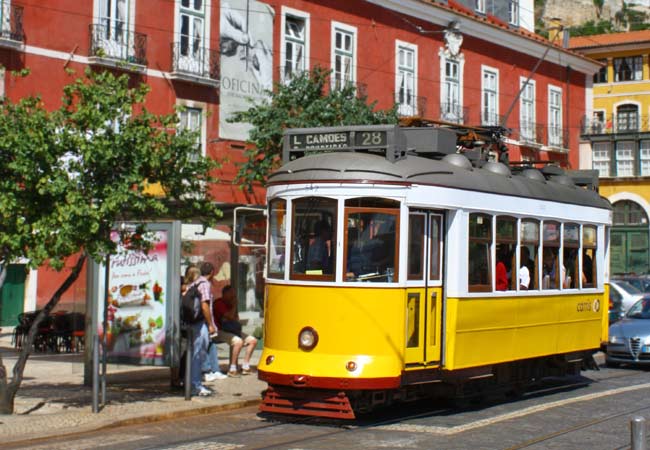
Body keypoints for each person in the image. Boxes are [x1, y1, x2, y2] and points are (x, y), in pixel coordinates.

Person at [188, 262, 219, 396]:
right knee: (198, 354)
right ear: (212, 272)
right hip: (200, 324)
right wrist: (210, 324)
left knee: (195, 353)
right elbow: (205, 305)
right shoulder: (204, 284)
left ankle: (192, 382)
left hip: (192, 322)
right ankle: (196, 385)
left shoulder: (193, 283)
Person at [213, 285, 258, 377]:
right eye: (231, 294)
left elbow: (236, 319)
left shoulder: (232, 304)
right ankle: (232, 369)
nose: (233, 296)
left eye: (234, 294)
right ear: (225, 294)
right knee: (238, 342)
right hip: (219, 330)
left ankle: (245, 366)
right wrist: (234, 306)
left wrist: (234, 307)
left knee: (253, 340)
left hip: (232, 330)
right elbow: (229, 316)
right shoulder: (219, 303)